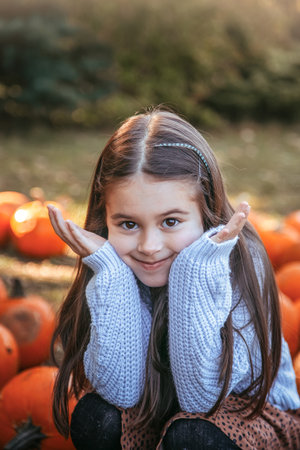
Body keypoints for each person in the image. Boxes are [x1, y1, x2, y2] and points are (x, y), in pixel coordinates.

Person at [48, 107, 300, 450]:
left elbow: (202, 398)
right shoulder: (114, 266)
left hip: (253, 421)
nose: (149, 247)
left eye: (170, 222)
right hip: (159, 413)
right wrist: (111, 273)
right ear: (104, 218)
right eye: (128, 224)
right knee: (99, 416)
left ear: (206, 211)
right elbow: (120, 391)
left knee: (193, 436)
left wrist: (191, 272)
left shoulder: (242, 262)